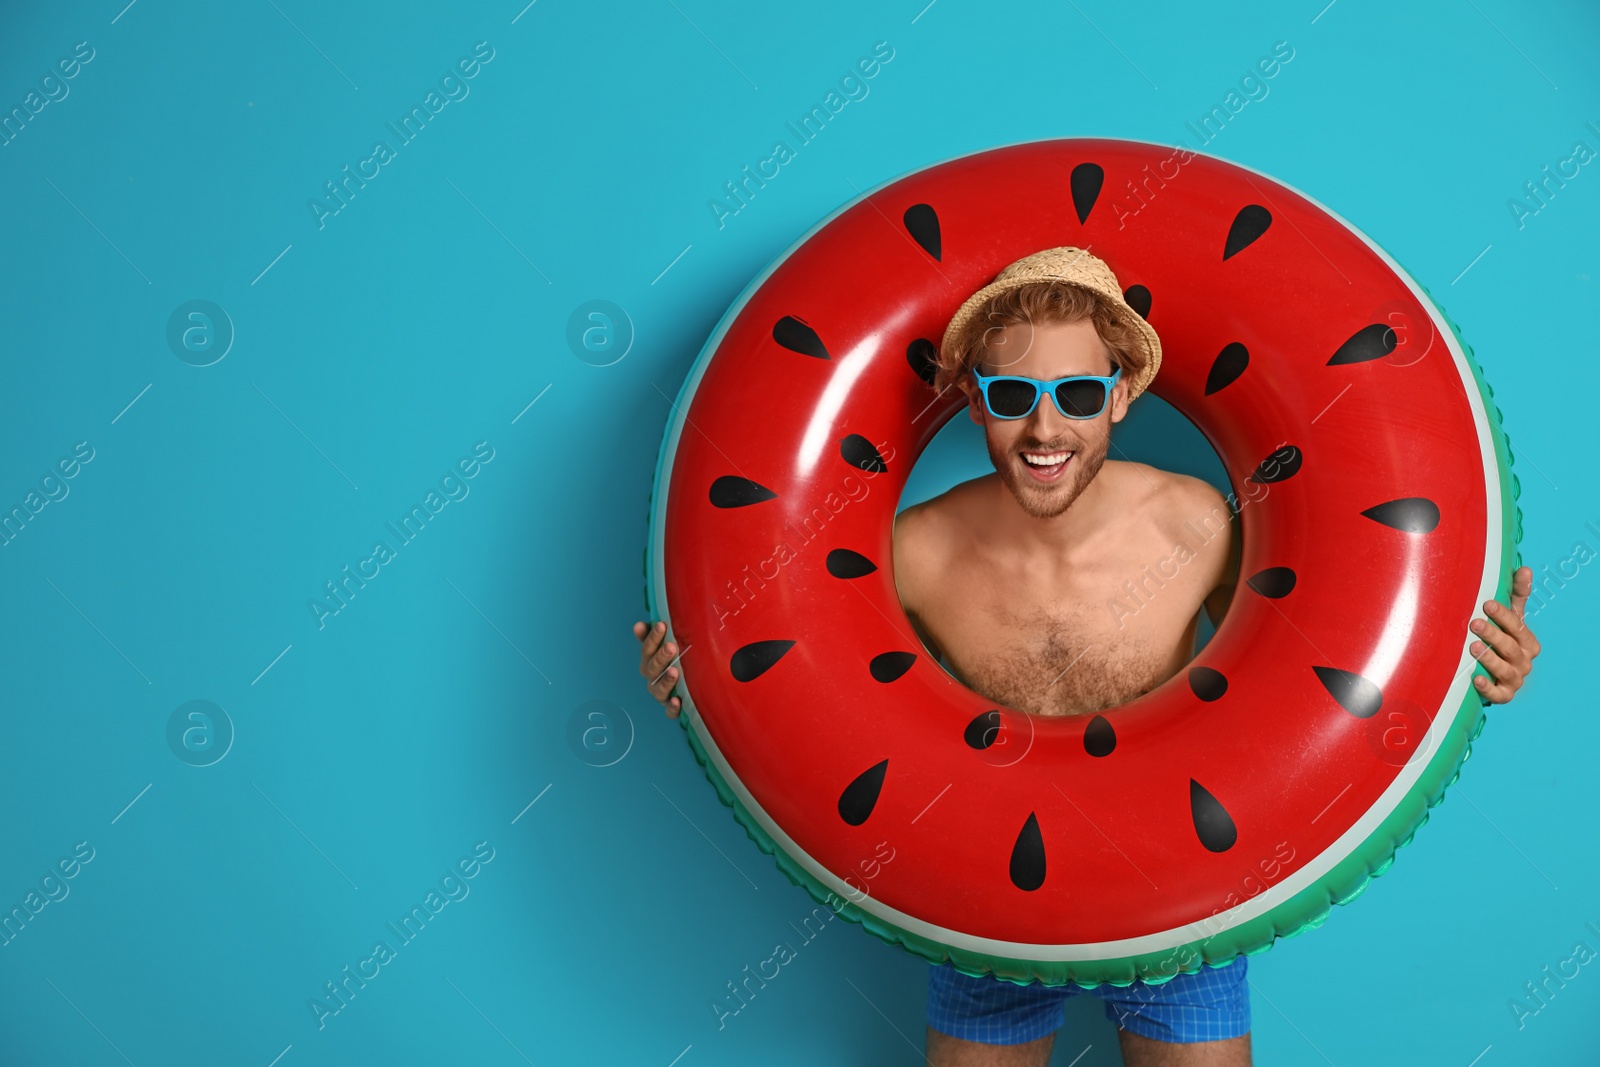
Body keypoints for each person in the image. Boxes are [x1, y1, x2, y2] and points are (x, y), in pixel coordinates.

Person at [633, 246, 1541, 1066]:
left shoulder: (1199, 525)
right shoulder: (914, 551)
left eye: (1074, 395)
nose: (1043, 431)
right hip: (982, 903)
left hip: (1182, 900)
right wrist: (703, 673)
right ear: (973, 401)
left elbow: (1331, 670)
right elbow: (807, 681)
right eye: (1011, 397)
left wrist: (1475, 668)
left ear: (1118, 394)